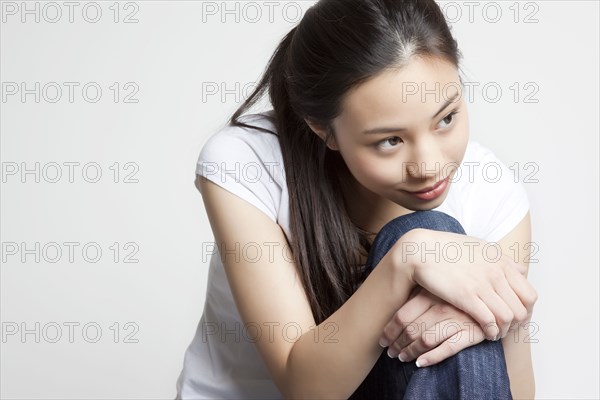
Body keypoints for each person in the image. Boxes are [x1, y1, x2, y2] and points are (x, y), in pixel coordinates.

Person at [175, 0, 538, 398]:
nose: (430, 166)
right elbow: (305, 388)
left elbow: (507, 390)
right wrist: (409, 257)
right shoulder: (248, 163)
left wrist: (507, 318)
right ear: (323, 130)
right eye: (390, 141)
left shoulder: (489, 192)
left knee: (446, 246)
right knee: (430, 232)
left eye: (446, 119)